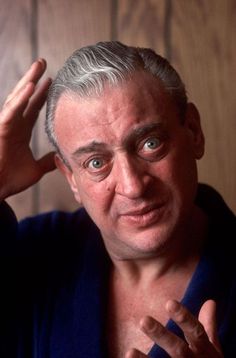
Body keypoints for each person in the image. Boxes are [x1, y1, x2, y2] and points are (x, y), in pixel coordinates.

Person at [0, 41, 235, 358]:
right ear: (71, 177)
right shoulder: (34, 255)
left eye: (150, 143)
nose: (133, 186)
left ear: (193, 131)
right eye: (96, 163)